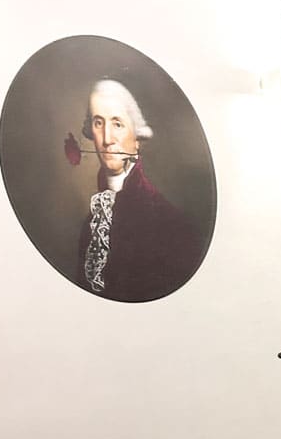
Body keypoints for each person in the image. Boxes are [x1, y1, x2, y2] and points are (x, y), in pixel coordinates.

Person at [76, 78, 203, 301]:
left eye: (117, 124)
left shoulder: (168, 222)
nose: (106, 139)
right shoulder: (91, 223)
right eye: (98, 123)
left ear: (137, 139)